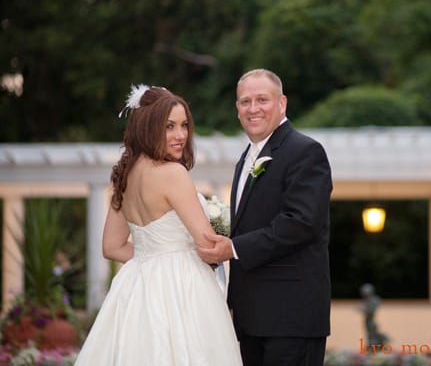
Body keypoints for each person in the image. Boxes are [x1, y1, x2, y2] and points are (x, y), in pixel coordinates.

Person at [74, 85, 242, 366]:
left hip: (136, 286)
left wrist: (152, 256)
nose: (181, 135)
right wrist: (180, 254)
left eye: (185, 125)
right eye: (169, 127)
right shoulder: (173, 174)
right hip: (182, 287)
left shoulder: (124, 175)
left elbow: (111, 247)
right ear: (148, 127)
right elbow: (207, 243)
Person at [197, 69, 333, 366]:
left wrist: (232, 248)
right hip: (251, 320)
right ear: (237, 109)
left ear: (281, 103)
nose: (253, 108)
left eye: (262, 99)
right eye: (245, 101)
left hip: (291, 317)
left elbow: (301, 222)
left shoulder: (305, 151)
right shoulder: (244, 160)